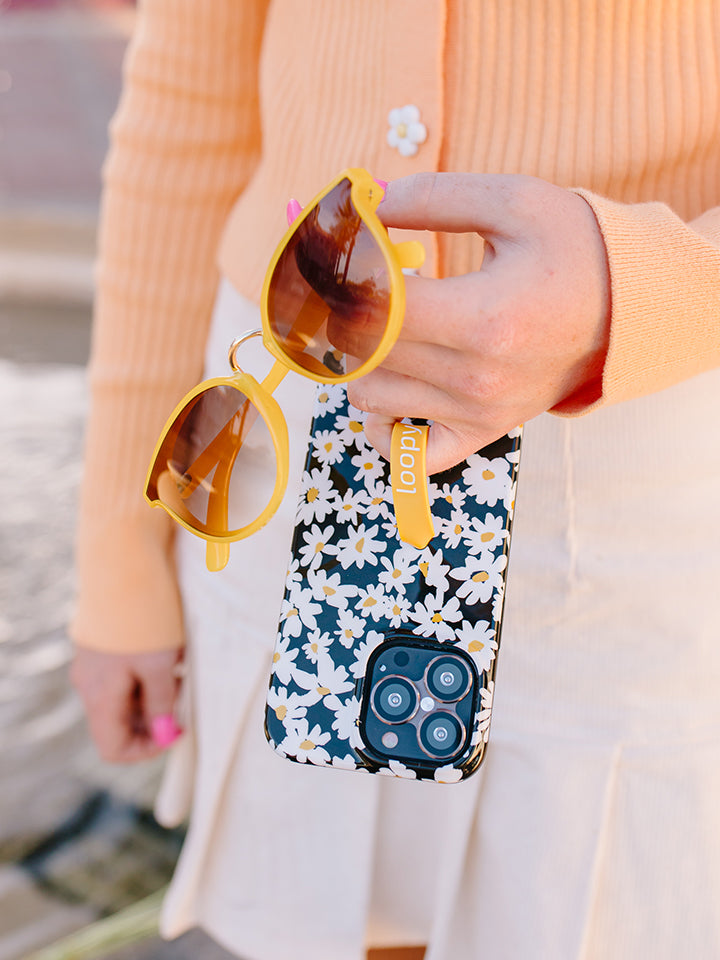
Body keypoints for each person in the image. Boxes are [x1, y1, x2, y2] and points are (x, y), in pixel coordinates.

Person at [71, 2, 720, 958]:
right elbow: (188, 105)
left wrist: (663, 285)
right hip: (274, 430)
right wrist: (121, 554)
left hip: (648, 448)